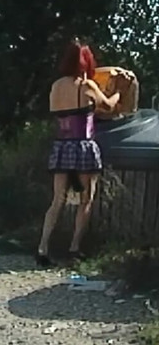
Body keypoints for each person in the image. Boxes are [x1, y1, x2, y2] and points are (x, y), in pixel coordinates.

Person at [35, 39, 124, 268]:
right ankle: (74, 248)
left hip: (62, 146)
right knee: (86, 200)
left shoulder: (56, 86)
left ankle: (43, 247)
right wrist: (118, 95)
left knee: (57, 200)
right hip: (84, 147)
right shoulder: (87, 86)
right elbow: (108, 106)